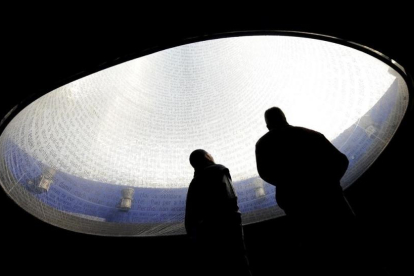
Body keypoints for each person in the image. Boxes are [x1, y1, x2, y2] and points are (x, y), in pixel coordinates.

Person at [255, 107, 356, 275]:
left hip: (297, 206)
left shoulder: (263, 144)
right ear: (285, 118)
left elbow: (265, 173)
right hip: (330, 199)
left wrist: (287, 183)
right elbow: (340, 160)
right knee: (350, 242)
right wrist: (330, 183)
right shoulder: (309, 134)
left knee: (316, 250)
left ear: (267, 126)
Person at [185, 149, 251, 276]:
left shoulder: (194, 182)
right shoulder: (218, 170)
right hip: (228, 224)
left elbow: (191, 213)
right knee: (238, 261)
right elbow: (230, 197)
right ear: (207, 157)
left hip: (206, 231)